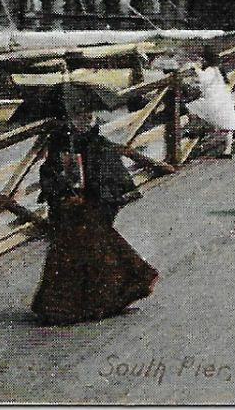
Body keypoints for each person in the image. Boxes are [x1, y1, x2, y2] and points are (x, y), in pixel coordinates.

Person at [31, 85, 158, 324]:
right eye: (79, 115)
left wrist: (90, 193)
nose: (85, 119)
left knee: (96, 244)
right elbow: (48, 173)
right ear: (69, 118)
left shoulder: (99, 144)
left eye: (88, 115)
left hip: (93, 205)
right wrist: (62, 189)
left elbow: (110, 178)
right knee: (70, 252)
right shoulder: (59, 143)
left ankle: (109, 295)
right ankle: (67, 306)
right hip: (67, 206)